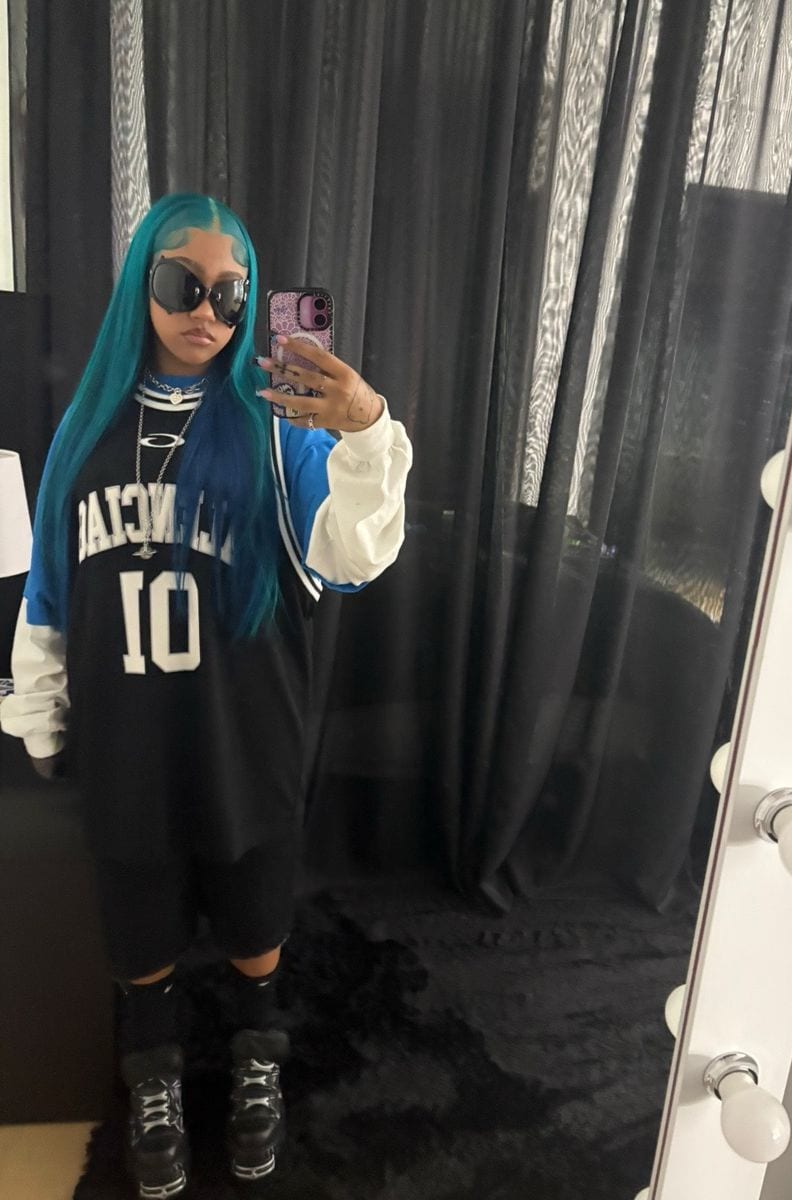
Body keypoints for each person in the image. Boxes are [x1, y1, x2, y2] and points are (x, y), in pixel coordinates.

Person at [0, 192, 413, 1197]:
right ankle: (154, 1077)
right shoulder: (83, 431)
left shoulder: (279, 429)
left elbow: (353, 558)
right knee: (136, 921)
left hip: (246, 739)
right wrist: (37, 710)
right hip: (126, 739)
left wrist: (365, 432)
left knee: (255, 917)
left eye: (233, 295)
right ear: (141, 283)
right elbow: (49, 588)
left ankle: (256, 1057)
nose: (208, 312)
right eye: (184, 283)